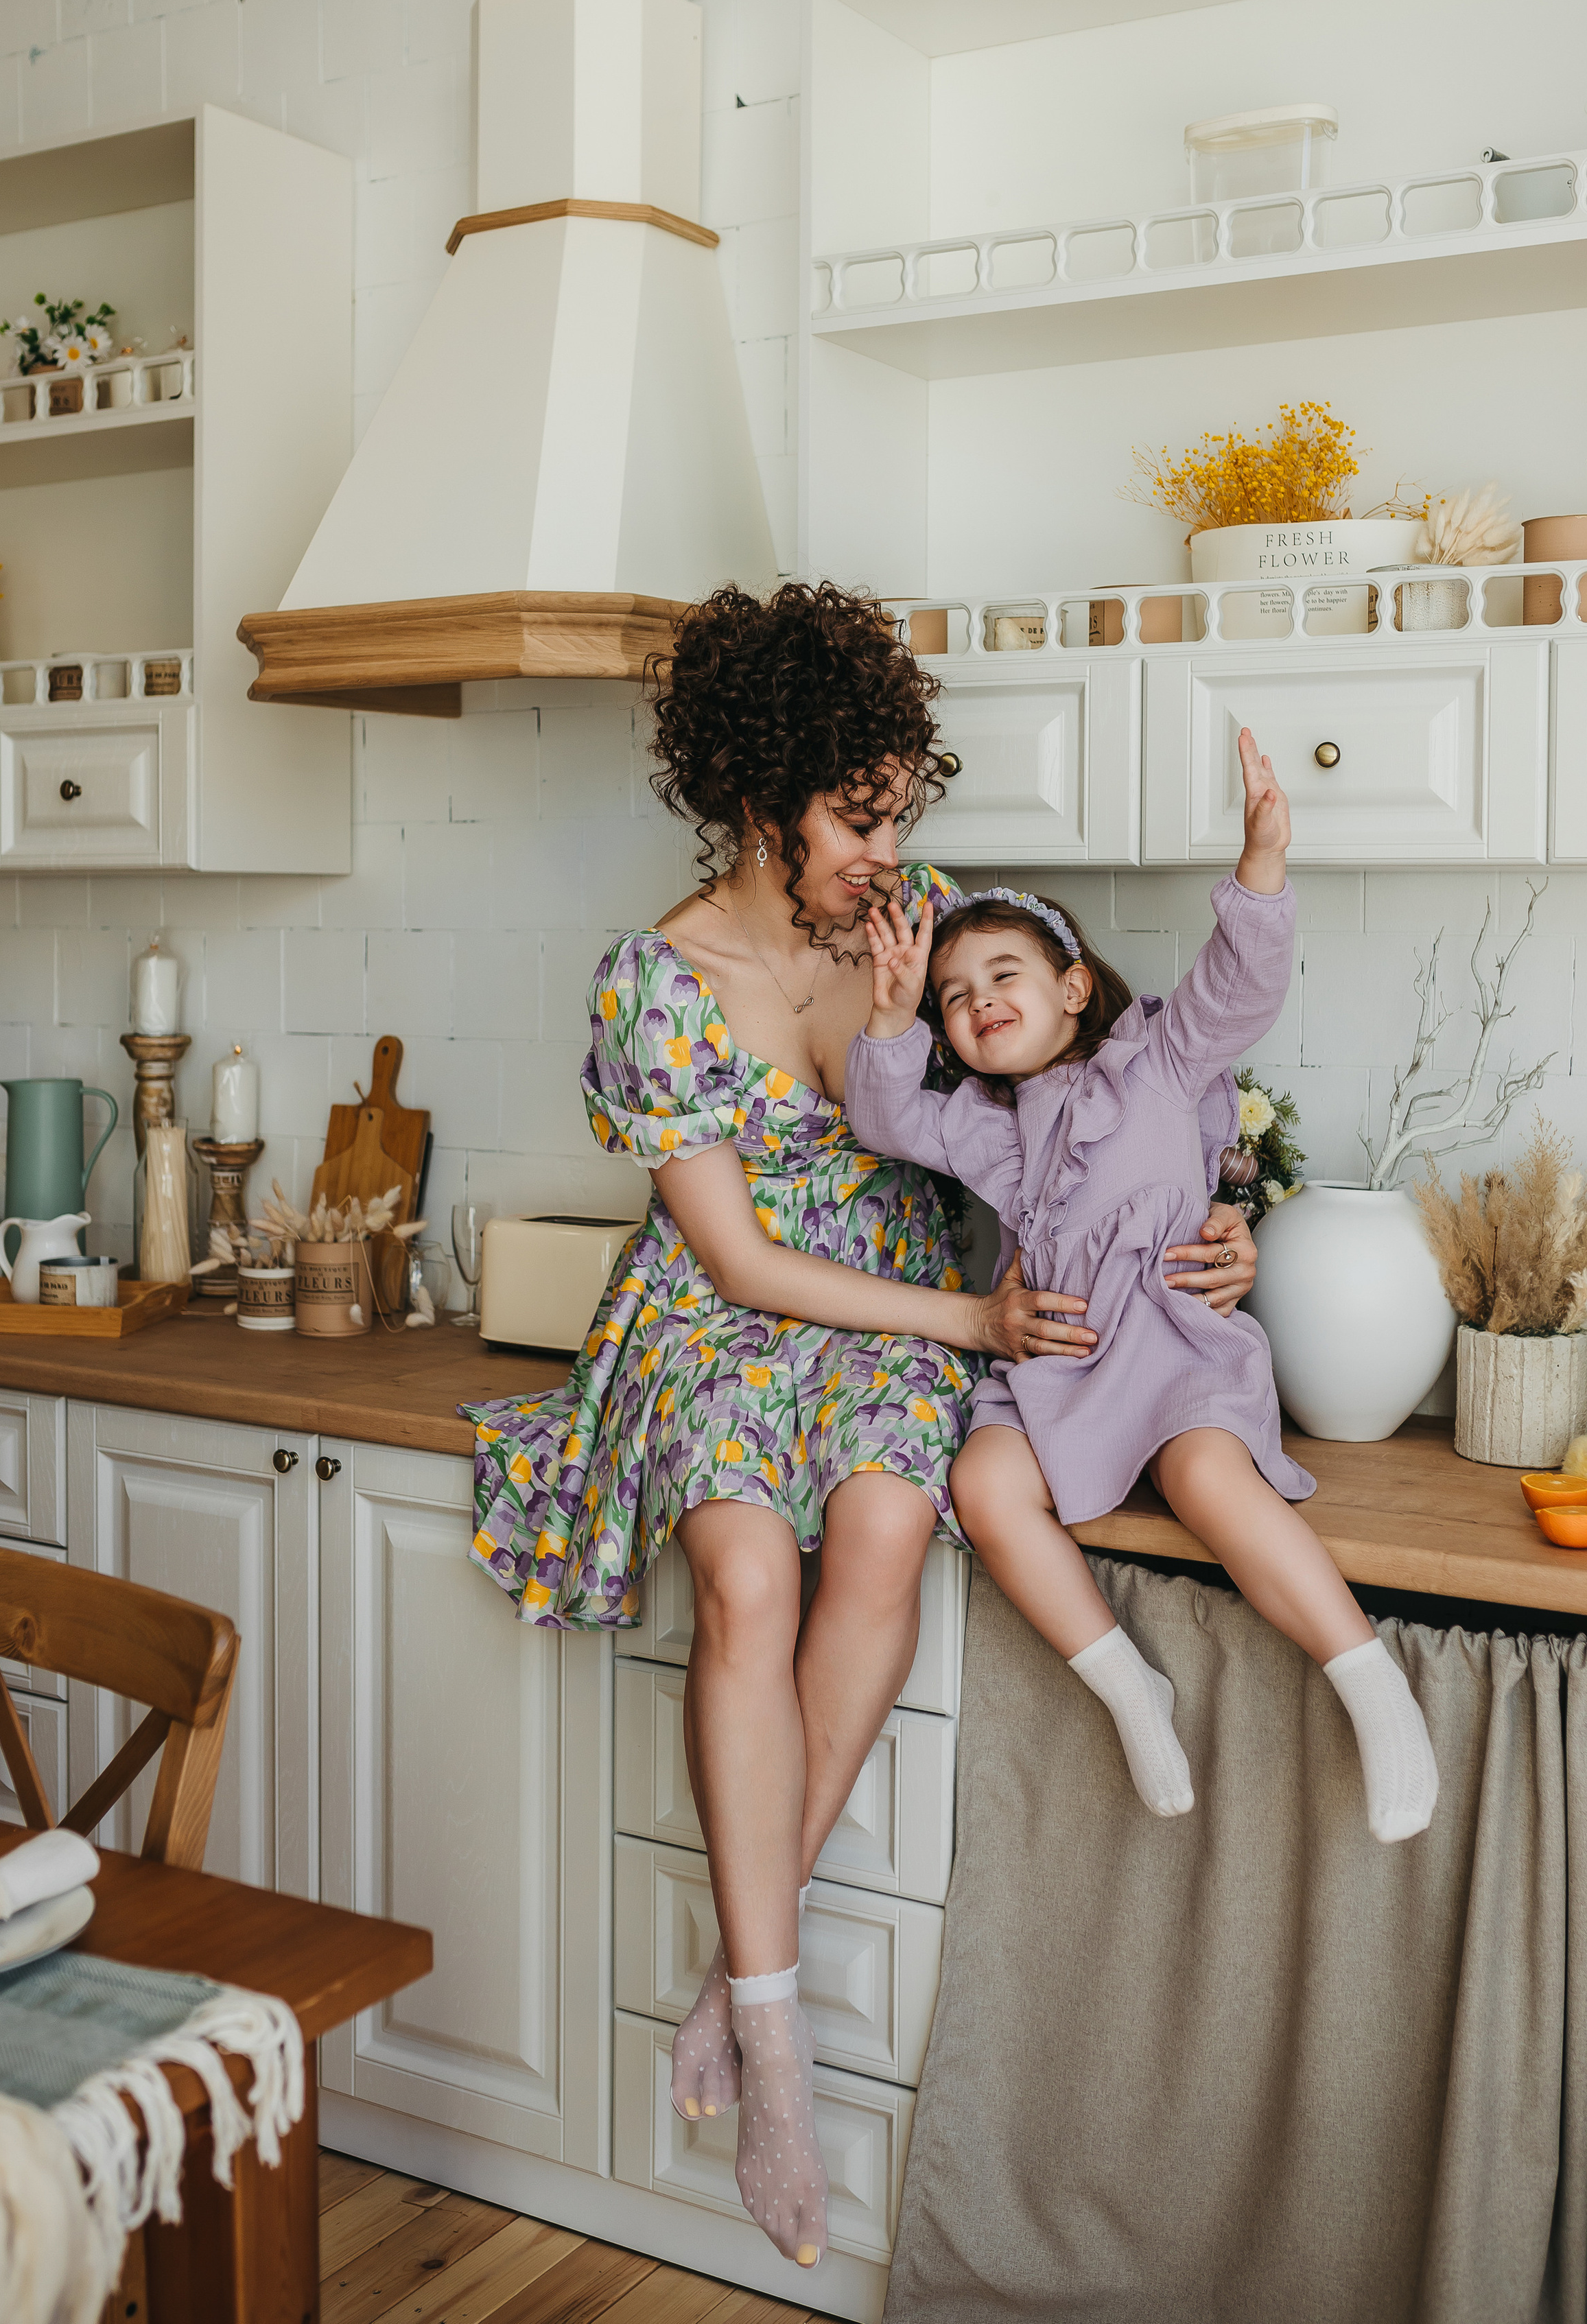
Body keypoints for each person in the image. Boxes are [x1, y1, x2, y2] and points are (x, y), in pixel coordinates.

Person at [467, 583, 1262, 2269]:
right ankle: (773, 2047)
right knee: (749, 1577)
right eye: (856, 814)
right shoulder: (658, 979)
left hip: (899, 1297)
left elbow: (1126, 1105)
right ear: (760, 797)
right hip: (728, 1316)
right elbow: (741, 1255)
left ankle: (728, 1978)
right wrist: (973, 1318)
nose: (883, 847)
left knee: (891, 1524)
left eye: (898, 809)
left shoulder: (910, 939)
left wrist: (1221, 1226)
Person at [846, 726, 1439, 1848]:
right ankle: (1129, 1688)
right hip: (1057, 1365)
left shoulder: (1159, 1060)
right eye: (954, 997)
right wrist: (887, 1013)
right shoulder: (990, 1130)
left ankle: (1371, 1685)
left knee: (1210, 1479)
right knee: (981, 1482)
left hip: (1169, 1350)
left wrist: (1262, 858)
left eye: (1003, 975)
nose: (975, 1003)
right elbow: (886, 1115)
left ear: (1074, 987)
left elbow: (1240, 984)